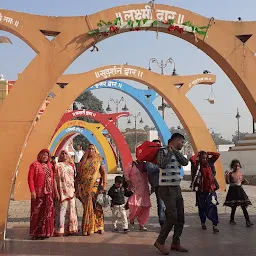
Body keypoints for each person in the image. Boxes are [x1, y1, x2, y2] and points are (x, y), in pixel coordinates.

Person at [154, 133, 189, 255]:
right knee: (172, 216)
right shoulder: (162, 151)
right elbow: (161, 164)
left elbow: (185, 162)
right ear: (176, 140)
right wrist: (170, 152)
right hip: (166, 188)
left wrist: (175, 151)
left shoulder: (178, 153)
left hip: (176, 187)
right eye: (182, 142)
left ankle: (175, 242)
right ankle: (160, 241)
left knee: (180, 217)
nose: (183, 144)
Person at [76, 143, 107, 236]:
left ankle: (99, 226)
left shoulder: (99, 159)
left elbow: (103, 173)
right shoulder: (83, 159)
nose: (91, 150)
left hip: (95, 186)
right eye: (89, 149)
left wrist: (104, 185)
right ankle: (89, 227)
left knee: (96, 205)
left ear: (95, 150)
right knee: (87, 207)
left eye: (93, 149)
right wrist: (76, 185)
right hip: (84, 187)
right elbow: (79, 173)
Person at [28, 149, 55, 239]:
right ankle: (36, 233)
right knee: (37, 213)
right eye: (43, 155)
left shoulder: (50, 165)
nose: (44, 156)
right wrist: (32, 191)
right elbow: (30, 179)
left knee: (47, 213)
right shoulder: (34, 165)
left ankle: (46, 232)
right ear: (39, 156)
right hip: (38, 193)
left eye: (46, 155)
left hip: (49, 193)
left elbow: (53, 178)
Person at [190, 151, 220, 233]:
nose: (204, 159)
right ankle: (203, 222)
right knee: (201, 207)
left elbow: (217, 155)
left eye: (206, 158)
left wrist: (208, 152)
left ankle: (214, 224)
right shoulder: (197, 165)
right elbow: (191, 159)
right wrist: (198, 153)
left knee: (213, 206)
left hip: (211, 190)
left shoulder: (210, 163)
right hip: (201, 190)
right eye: (202, 158)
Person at [54, 150, 79, 236]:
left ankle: (70, 229)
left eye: (65, 154)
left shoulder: (71, 166)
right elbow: (54, 179)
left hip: (71, 191)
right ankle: (60, 230)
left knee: (70, 210)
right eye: (62, 154)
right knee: (61, 211)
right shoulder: (57, 165)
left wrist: (75, 189)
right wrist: (56, 191)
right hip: (61, 191)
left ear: (68, 156)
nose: (64, 155)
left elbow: (73, 178)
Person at [224, 159, 253, 227]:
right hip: (233, 191)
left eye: (238, 166)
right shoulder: (231, 174)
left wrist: (244, 182)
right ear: (232, 166)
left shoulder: (240, 173)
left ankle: (248, 221)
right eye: (235, 166)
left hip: (240, 191)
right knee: (234, 206)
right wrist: (226, 176)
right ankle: (231, 219)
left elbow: (239, 183)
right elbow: (228, 182)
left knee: (243, 206)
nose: (237, 167)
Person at [124, 158, 151, 231]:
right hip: (134, 189)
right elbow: (126, 174)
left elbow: (151, 175)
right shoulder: (131, 164)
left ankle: (142, 224)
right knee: (134, 205)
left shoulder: (147, 165)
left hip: (144, 189)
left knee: (145, 207)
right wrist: (129, 182)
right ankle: (131, 219)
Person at [146, 139, 166, 227]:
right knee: (161, 204)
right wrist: (160, 166)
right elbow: (150, 168)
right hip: (158, 184)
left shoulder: (165, 155)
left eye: (159, 146)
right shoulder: (150, 157)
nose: (158, 148)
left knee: (170, 204)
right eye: (156, 146)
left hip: (168, 183)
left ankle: (168, 221)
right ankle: (162, 222)